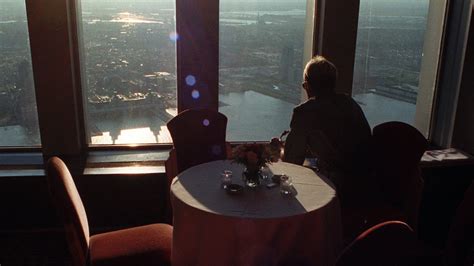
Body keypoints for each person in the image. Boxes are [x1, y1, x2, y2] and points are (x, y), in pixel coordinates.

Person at [283, 56, 371, 197]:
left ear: (309, 85)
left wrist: (280, 149)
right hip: (366, 185)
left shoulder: (305, 112)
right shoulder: (350, 104)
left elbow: (292, 162)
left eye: (304, 85)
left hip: (337, 189)